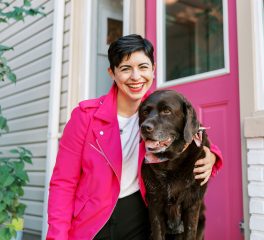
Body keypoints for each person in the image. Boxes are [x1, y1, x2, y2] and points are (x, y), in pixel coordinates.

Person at [46, 34, 223, 240]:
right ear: (112, 73)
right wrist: (57, 236)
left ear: (153, 69)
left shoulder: (161, 108)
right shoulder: (85, 117)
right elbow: (63, 183)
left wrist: (212, 156)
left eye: (143, 67)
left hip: (140, 217)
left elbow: (194, 133)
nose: (136, 76)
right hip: (92, 220)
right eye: (125, 69)